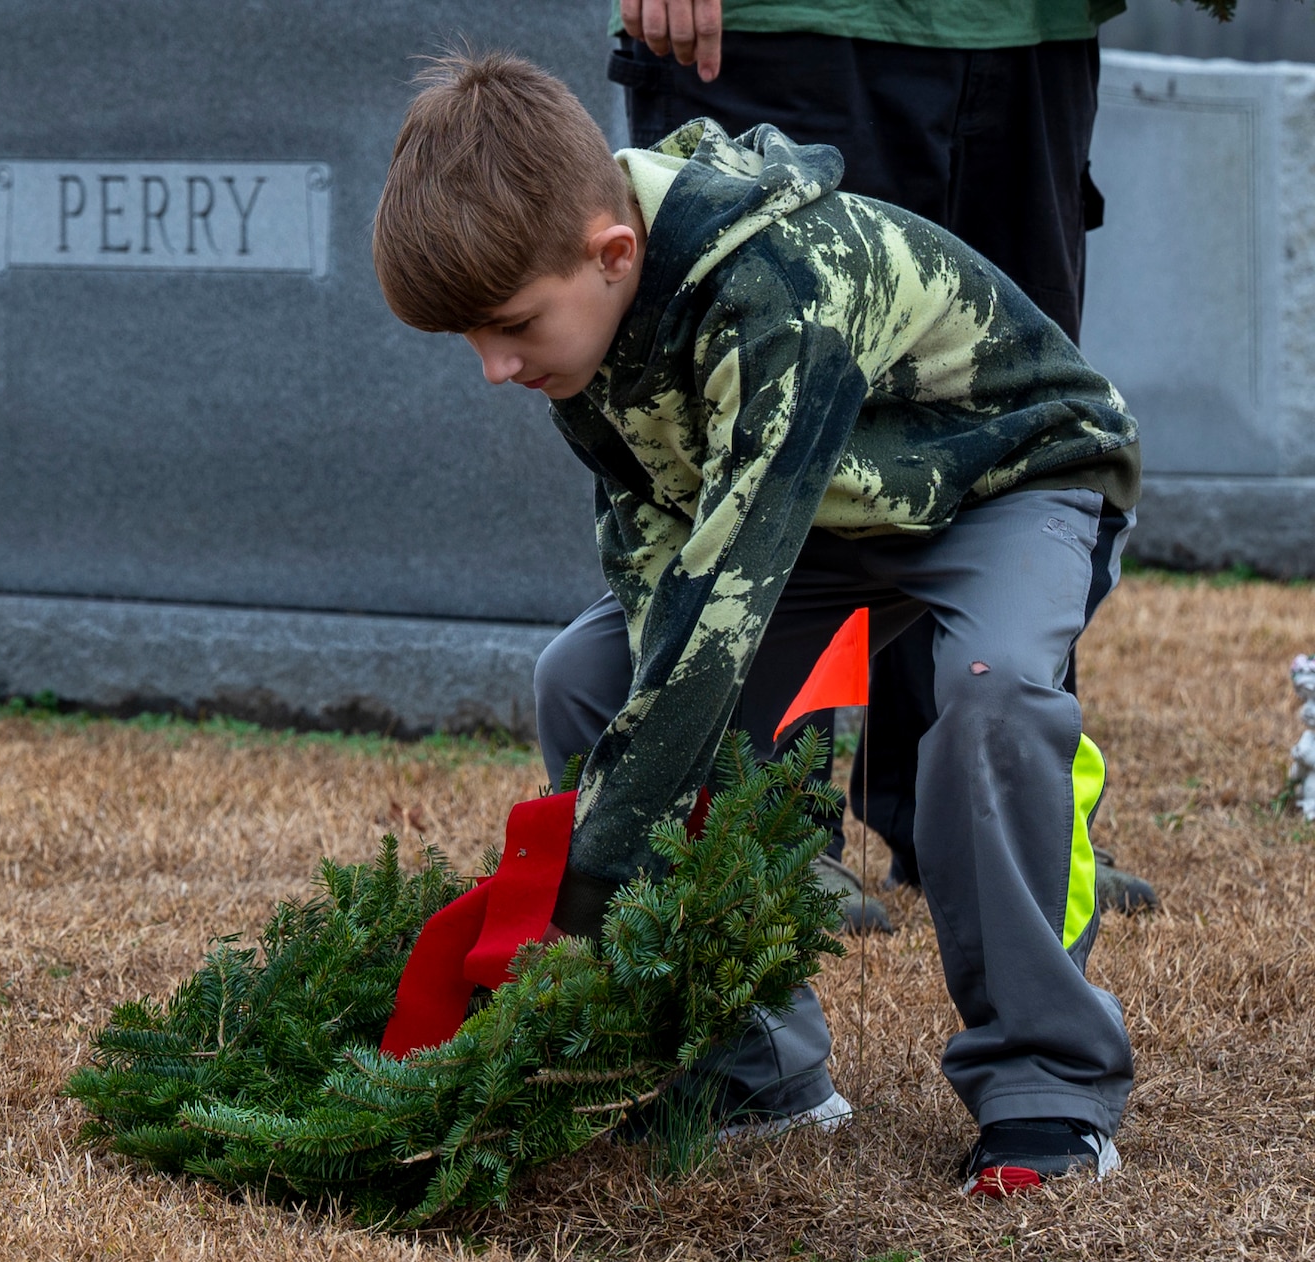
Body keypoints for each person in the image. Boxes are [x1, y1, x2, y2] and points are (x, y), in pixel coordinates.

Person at [372, 53, 1140, 1194]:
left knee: (987, 695)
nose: (494, 369)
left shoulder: (774, 288)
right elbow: (652, 576)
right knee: (584, 676)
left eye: (508, 327)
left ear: (611, 253)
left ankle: (1047, 1088)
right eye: (471, 342)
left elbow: (724, 601)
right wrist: (613, 833)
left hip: (1004, 477)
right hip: (820, 511)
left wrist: (580, 876)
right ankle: (758, 1071)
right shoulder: (583, 330)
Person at [588, 0, 1160, 927]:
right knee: (760, 428)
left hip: (1024, 30)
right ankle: (770, 841)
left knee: (998, 431)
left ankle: (1002, 829)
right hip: (783, 28)